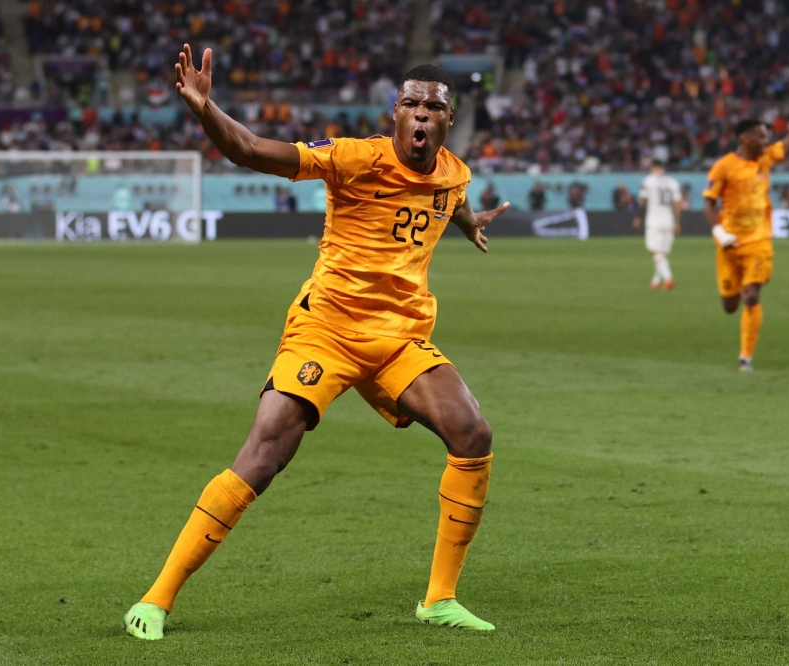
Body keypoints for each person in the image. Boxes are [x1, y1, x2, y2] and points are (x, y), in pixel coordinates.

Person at [122, 45, 510, 640]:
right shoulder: (354, 159)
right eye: (410, 105)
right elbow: (251, 150)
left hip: (400, 337)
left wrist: (471, 221)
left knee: (473, 432)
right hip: (326, 328)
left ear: (448, 120)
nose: (421, 116)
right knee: (265, 454)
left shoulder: (456, 173)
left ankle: (438, 599)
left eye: (433, 108)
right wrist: (206, 110)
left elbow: (450, 200)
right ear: (395, 114)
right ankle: (157, 598)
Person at [703, 77, 789, 372]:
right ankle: (737, 288)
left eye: (766, 137)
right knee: (729, 305)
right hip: (728, 243)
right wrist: (720, 232)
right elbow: (708, 203)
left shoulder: (765, 160)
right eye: (761, 137)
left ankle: (745, 358)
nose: (767, 142)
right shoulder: (724, 166)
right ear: (744, 140)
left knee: (752, 295)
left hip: (759, 241)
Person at [632, 161, 682, 290]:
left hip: (654, 220)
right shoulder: (672, 182)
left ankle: (668, 278)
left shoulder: (649, 181)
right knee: (662, 254)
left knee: (657, 252)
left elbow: (643, 201)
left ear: (652, 168)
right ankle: (655, 281)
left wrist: (638, 217)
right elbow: (677, 204)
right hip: (668, 220)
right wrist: (677, 222)